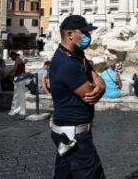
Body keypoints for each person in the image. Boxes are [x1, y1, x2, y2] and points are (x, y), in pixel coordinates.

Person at [49, 14, 106, 178]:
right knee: (93, 174)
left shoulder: (76, 55)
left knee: (64, 175)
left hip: (67, 131)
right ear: (70, 35)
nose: (88, 36)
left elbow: (96, 78)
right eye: (84, 32)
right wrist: (99, 86)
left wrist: (101, 84)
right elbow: (91, 94)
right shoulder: (67, 64)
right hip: (74, 136)